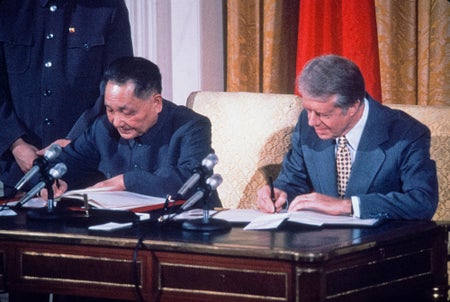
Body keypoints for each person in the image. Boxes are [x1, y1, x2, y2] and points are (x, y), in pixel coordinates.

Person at [257, 54, 438, 220]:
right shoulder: (308, 123)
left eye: (323, 115)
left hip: (379, 246)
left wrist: (348, 206)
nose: (311, 121)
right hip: (321, 247)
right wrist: (280, 194)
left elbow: (422, 202)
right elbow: (293, 181)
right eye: (308, 110)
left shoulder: (406, 134)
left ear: (352, 107)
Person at [48, 56, 221, 208]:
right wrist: (50, 182)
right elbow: (63, 162)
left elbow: (191, 179)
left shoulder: (191, 126)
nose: (116, 121)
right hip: (122, 230)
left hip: (186, 228)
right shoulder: (103, 128)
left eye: (127, 112)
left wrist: (126, 181)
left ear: (156, 103)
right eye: (110, 110)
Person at [0, 0, 133, 198]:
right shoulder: (7, 8)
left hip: (87, 169)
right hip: (19, 170)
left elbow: (118, 84)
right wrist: (17, 145)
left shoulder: (109, 7)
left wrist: (76, 144)